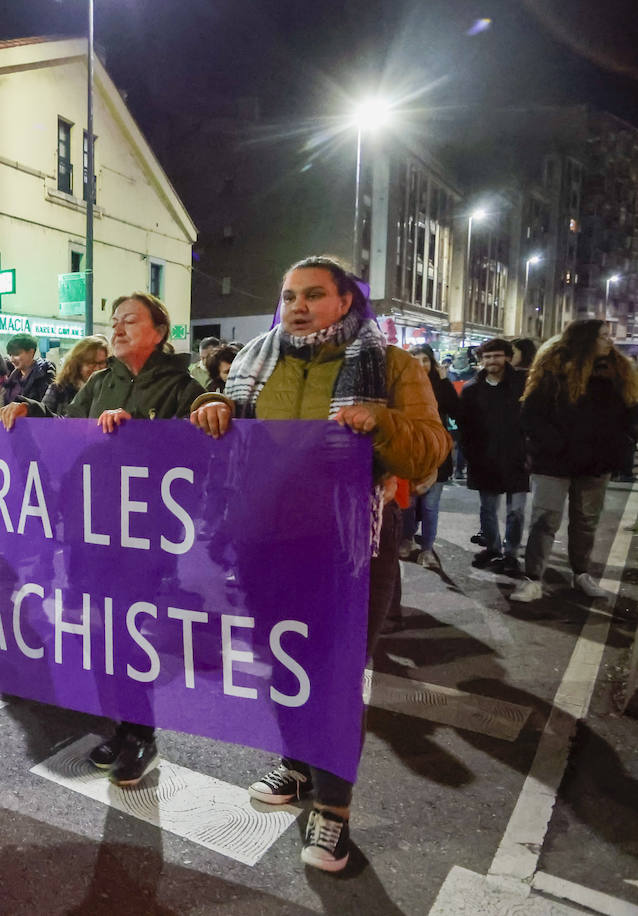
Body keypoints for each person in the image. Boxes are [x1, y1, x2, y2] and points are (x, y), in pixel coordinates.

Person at [189, 256, 449, 872]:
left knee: (333, 674)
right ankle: (298, 763)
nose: (297, 305)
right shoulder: (256, 359)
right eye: (288, 295)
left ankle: (333, 811)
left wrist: (380, 421)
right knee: (283, 659)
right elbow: (233, 433)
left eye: (313, 294)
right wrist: (213, 407)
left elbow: (433, 451)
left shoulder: (390, 365)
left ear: (345, 302)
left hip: (352, 545)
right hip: (266, 542)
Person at [0, 292, 205, 787]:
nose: (117, 329)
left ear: (159, 330)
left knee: (130, 636)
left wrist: (135, 436)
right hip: (90, 529)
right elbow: (66, 433)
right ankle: (120, 725)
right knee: (98, 635)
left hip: (143, 537)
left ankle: (143, 735)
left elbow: (196, 458)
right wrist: (29, 412)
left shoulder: (182, 386)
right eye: (114, 321)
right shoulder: (98, 382)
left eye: (129, 321)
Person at [512, 320, 638, 602]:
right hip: (554, 461)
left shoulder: (619, 372)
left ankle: (581, 574)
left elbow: (631, 413)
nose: (610, 341)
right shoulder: (552, 370)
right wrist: (557, 444)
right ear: (584, 340)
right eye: (603, 336)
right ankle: (533, 579)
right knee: (545, 519)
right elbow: (530, 415)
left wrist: (622, 443)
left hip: (595, 462)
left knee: (585, 522)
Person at [457, 338, 530, 575]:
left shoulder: (523, 383)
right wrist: (470, 456)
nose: (491, 361)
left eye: (496, 356)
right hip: (485, 459)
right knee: (487, 509)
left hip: (517, 458)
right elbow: (465, 426)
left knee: (516, 511)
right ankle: (492, 548)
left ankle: (511, 555)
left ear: (507, 357)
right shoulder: (472, 389)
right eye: (487, 357)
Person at [401, 345, 460, 571]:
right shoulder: (402, 386)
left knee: (430, 506)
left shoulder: (440, 386)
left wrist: (445, 383)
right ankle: (406, 539)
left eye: (425, 359)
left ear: (432, 362)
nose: (420, 364)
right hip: (410, 453)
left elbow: (456, 411)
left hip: (437, 453)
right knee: (408, 503)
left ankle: (427, 549)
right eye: (415, 360)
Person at [42, 335, 109, 415]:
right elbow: (43, 420)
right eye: (91, 363)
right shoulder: (59, 389)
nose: (97, 368)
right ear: (77, 364)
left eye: (101, 363)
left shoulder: (111, 390)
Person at [0, 333, 56, 408]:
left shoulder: (44, 378)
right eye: (10, 355)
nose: (12, 359)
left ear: (31, 352)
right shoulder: (12, 380)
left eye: (16, 354)